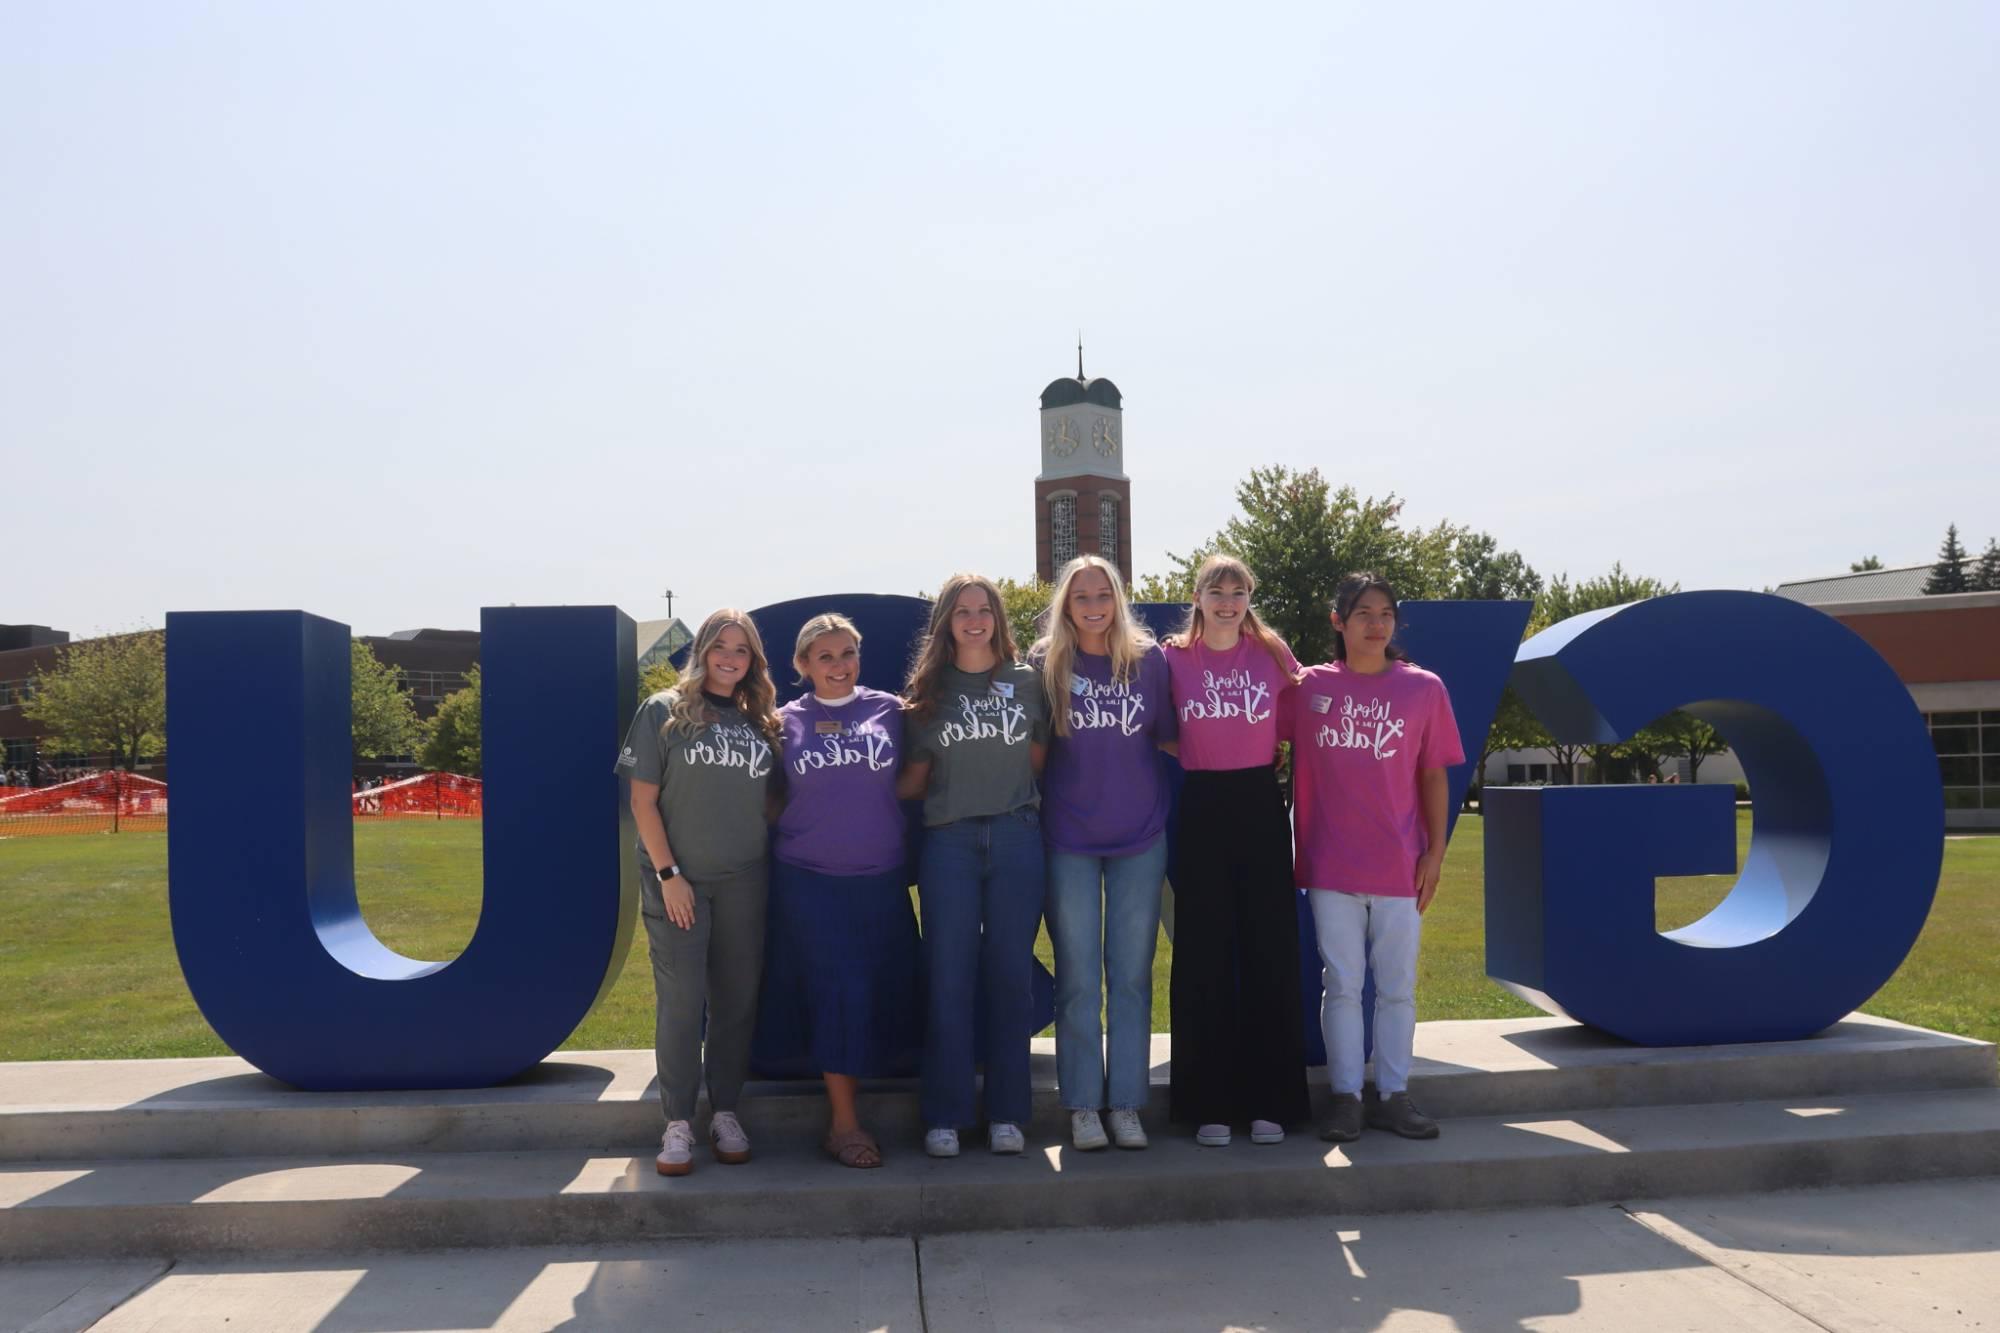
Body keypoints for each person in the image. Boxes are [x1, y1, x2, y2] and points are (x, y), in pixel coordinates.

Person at [1285, 572, 1463, 1143]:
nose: (1376, 623)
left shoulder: (1424, 689)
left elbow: (1433, 775)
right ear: (1339, 622)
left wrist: (1435, 853)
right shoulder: (1308, 687)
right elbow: (1249, 718)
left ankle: (1392, 1095)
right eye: (1363, 613)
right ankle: (1344, 1099)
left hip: (1399, 866)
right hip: (1331, 865)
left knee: (1396, 988)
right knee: (1340, 984)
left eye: (1385, 613)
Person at [615, 608, 782, 1176]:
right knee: (684, 1004)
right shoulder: (663, 710)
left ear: (753, 659)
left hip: (745, 881)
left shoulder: (761, 720)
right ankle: (678, 1122)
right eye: (721, 646)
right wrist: (669, 876)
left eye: (742, 649)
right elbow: (642, 802)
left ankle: (726, 1112)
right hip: (678, 882)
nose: (731, 658)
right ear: (704, 649)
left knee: (736, 1003)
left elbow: (772, 802)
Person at [1161, 553, 1310, 1147]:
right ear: (1197, 597)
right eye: (1216, 590)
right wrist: (1199, 750)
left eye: (1238, 590)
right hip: (1200, 805)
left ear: (1249, 597)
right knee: (1203, 954)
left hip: (1258, 803)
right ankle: (1209, 1105)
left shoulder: (1271, 655)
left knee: (1269, 950)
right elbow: (1155, 728)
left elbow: (1298, 722)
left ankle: (1273, 1101)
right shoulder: (1171, 657)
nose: (1227, 600)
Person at [900, 572, 1050, 1158]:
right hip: (950, 843)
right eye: (962, 611)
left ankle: (1008, 1114)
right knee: (949, 976)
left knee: (1011, 977)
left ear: (998, 618)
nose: (974, 620)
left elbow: (1036, 761)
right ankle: (946, 1113)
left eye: (984, 609)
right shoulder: (927, 692)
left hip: (1017, 837)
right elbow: (914, 781)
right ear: (946, 622)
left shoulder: (1027, 682)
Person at [1033, 555, 1176, 1151]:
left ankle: (1125, 1103)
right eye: (1080, 596)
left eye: (1103, 594)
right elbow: (1032, 750)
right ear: (1066, 604)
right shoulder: (1046, 665)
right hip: (1068, 839)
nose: (1093, 605)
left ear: (1118, 599)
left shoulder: (1150, 663)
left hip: (1140, 837)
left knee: (1132, 975)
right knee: (1079, 978)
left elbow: (1171, 737)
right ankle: (1083, 1105)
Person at [769, 613, 921, 1168]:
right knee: (839, 991)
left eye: (847, 654)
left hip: (880, 879)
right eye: (825, 657)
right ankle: (843, 1125)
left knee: (884, 989)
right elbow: (768, 795)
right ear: (803, 665)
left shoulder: (892, 711)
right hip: (810, 881)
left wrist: (869, 808)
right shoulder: (782, 721)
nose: (839, 666)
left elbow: (916, 775)